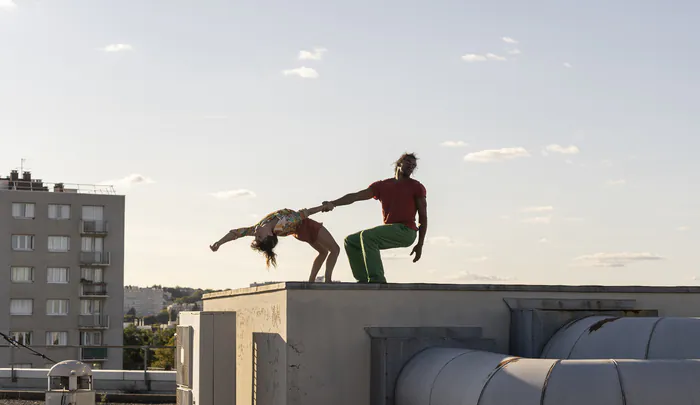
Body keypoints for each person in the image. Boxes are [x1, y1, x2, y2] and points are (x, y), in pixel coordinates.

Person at [321, 152, 427, 283]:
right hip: (391, 230)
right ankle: (363, 281)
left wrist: (420, 244)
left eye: (414, 165)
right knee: (351, 241)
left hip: (406, 231)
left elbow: (423, 217)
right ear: (399, 163)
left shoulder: (416, 187)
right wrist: (333, 203)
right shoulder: (382, 186)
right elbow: (356, 196)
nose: (411, 166)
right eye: (408, 163)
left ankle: (377, 280)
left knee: (367, 236)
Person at [209, 205, 340, 283]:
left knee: (323, 252)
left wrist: (219, 243)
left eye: (256, 237)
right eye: (259, 236)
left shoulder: (258, 227)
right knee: (335, 249)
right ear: (270, 234)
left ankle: (311, 281)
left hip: (299, 232)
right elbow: (305, 213)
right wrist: (323, 207)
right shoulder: (283, 224)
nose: (256, 233)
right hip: (307, 226)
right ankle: (327, 280)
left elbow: (236, 233)